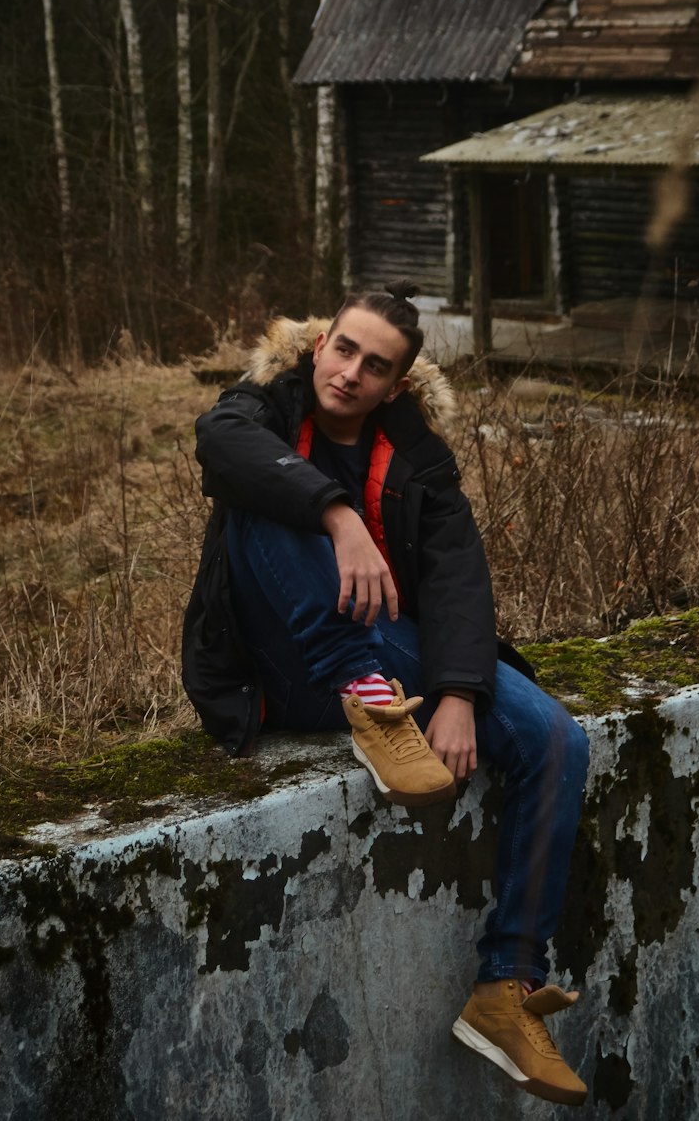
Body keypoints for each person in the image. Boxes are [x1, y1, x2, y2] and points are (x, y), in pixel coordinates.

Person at [182, 281, 590, 1106]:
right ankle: (364, 698)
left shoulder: (416, 457)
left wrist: (458, 694)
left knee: (557, 740)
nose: (350, 374)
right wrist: (338, 516)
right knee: (263, 485)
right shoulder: (260, 408)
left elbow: (456, 584)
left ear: (396, 383)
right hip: (290, 669)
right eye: (343, 349)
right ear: (319, 344)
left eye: (375, 365)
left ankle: (506, 988)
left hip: (387, 656)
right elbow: (218, 445)